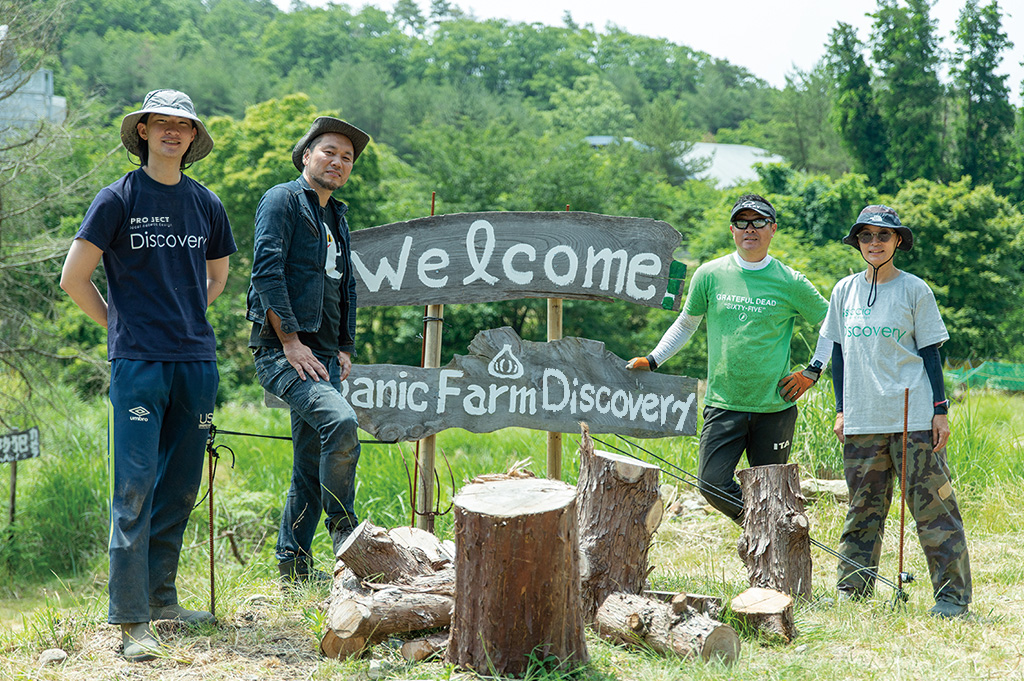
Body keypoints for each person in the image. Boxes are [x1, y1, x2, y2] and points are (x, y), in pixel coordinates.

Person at [60, 89, 236, 661]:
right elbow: (73, 277)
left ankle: (163, 600)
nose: (171, 132)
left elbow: (217, 277)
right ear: (143, 131)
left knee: (180, 486)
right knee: (133, 488)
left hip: (196, 363)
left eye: (182, 125)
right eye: (160, 123)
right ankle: (131, 621)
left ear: (193, 136)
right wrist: (122, 326)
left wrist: (184, 317)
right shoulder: (117, 198)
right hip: (138, 363)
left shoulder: (206, 203)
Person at [627, 194, 830, 521]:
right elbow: (686, 323)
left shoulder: (791, 282)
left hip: (774, 407)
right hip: (724, 403)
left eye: (759, 221)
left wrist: (812, 371)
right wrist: (653, 360)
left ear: (773, 229)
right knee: (711, 484)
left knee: (771, 491)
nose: (750, 228)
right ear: (732, 230)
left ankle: (769, 540)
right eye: (741, 222)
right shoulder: (709, 274)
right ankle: (761, 527)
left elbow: (832, 324)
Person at [821, 205, 972, 619]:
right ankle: (852, 590)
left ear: (898, 241)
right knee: (862, 510)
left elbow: (931, 353)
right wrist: (841, 410)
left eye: (883, 235)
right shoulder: (843, 291)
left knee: (934, 511)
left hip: (913, 417)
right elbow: (838, 355)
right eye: (866, 236)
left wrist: (940, 411)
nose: (874, 243)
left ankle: (952, 598)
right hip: (862, 418)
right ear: (857, 242)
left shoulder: (914, 290)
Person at [246, 117, 367, 583]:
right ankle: (345, 530)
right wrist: (291, 340)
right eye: (329, 152)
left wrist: (344, 345)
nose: (338, 162)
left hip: (324, 353)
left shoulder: (336, 216)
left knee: (309, 465)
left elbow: (344, 285)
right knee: (341, 422)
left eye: (346, 157)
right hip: (283, 351)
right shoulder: (283, 199)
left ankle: (292, 568)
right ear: (305, 156)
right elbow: (266, 269)